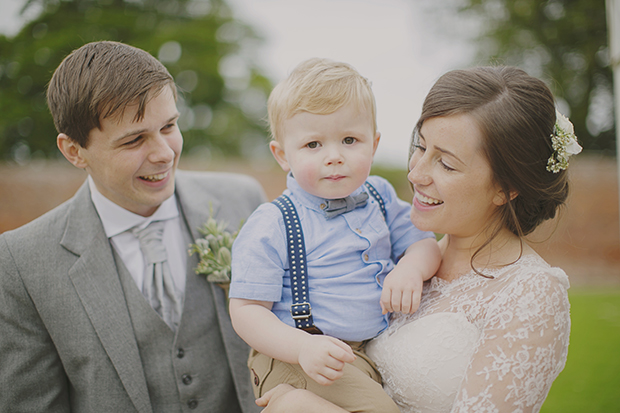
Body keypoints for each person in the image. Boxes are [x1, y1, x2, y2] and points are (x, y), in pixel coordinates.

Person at [258, 65, 574, 413]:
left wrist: (306, 407)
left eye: (446, 165)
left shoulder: (531, 294)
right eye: (420, 147)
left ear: (505, 187)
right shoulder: (398, 253)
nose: (416, 173)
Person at [0, 41, 265, 413]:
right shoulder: (21, 263)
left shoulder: (243, 201)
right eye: (135, 139)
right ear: (74, 151)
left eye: (169, 126)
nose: (164, 153)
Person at [227, 58, 441, 413]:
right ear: (283, 155)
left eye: (349, 140)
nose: (334, 157)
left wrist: (410, 269)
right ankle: (292, 403)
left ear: (373, 145)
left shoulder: (380, 195)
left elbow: (424, 243)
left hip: (362, 353)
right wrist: (300, 348)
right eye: (313, 145)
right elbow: (246, 310)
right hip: (299, 356)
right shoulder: (274, 222)